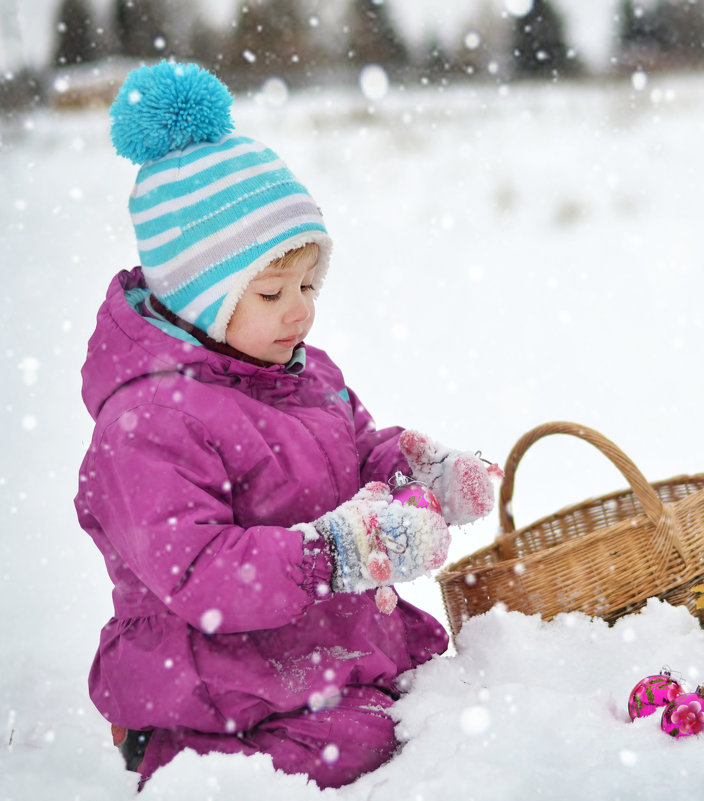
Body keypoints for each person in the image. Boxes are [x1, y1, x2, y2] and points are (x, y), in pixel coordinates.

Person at [74, 61, 497, 789]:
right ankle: (187, 768)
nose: (300, 309)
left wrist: (412, 470)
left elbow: (351, 454)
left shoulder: (302, 368)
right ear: (198, 294)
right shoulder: (146, 421)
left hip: (310, 647)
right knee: (367, 743)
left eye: (308, 283)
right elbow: (201, 573)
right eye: (272, 291)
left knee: (442, 704)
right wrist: (332, 553)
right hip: (216, 679)